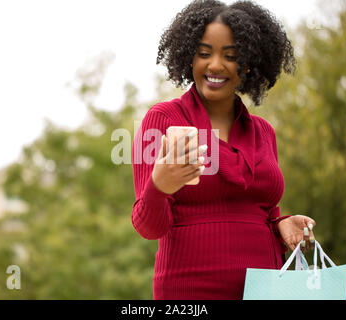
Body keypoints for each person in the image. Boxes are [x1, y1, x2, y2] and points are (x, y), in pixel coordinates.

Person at [131, 0, 316, 300]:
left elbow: (266, 213)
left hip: (267, 290)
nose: (215, 65)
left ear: (248, 64)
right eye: (204, 53)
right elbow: (148, 226)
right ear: (189, 56)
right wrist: (159, 186)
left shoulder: (264, 132)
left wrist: (283, 225)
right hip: (189, 293)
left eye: (230, 56)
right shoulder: (163, 120)